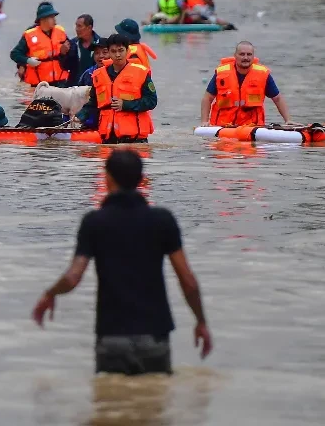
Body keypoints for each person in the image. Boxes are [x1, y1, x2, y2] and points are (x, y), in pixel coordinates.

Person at [32, 150, 212, 375]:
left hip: (112, 337)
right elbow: (188, 281)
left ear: (107, 178)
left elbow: (72, 277)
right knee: (154, 404)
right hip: (154, 336)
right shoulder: (162, 220)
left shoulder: (95, 222)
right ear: (141, 179)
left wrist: (50, 294)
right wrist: (201, 322)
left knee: (110, 405)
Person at [81, 35, 158, 143]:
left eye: (121, 50)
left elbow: (152, 101)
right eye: (113, 51)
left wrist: (125, 104)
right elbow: (93, 103)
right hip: (108, 139)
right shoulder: (99, 75)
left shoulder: (141, 73)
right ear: (109, 53)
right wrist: (79, 116)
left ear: (127, 51)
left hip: (134, 141)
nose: (117, 55)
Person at [200, 42, 289, 126]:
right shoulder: (221, 73)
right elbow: (207, 98)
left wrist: (288, 120)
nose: (246, 58)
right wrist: (204, 121)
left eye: (249, 54)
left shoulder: (263, 74)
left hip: (252, 127)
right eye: (242, 54)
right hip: (222, 126)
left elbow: (277, 98)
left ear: (253, 56)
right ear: (235, 56)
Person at [10, 3, 71, 86]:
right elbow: (14, 54)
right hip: (38, 84)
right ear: (43, 19)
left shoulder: (60, 32)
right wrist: (27, 61)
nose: (55, 20)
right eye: (52, 17)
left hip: (60, 82)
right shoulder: (30, 34)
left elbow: (72, 53)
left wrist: (64, 52)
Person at [61, 13, 101, 85]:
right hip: (75, 87)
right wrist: (63, 54)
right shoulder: (72, 44)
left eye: (79, 26)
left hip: (94, 86)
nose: (77, 29)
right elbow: (65, 67)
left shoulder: (100, 44)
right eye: (76, 26)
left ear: (89, 27)